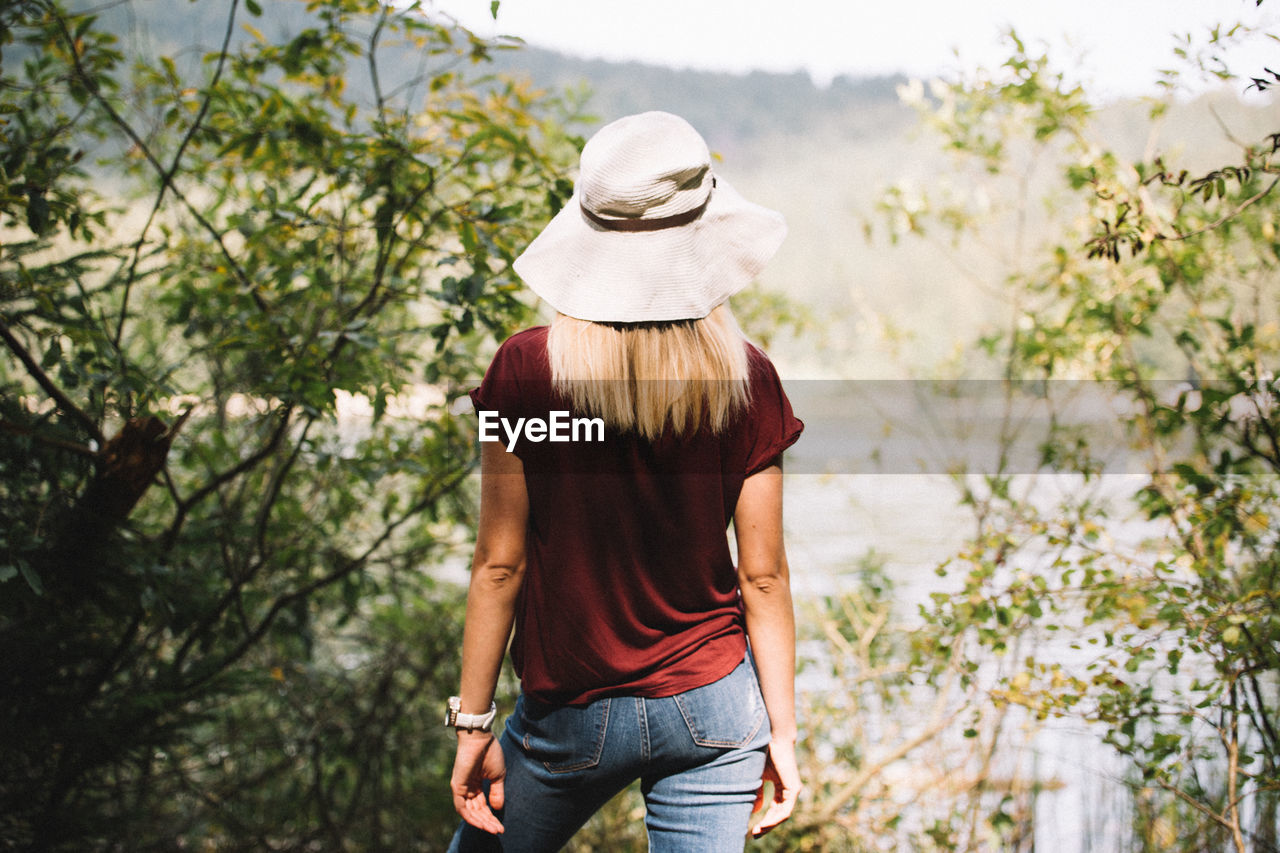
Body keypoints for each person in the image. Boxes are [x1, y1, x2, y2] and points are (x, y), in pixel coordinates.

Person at [447, 111, 803, 852]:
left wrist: (472, 725)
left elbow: (499, 564)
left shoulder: (523, 371)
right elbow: (763, 578)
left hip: (571, 713)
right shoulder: (750, 381)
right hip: (716, 708)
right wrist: (784, 731)